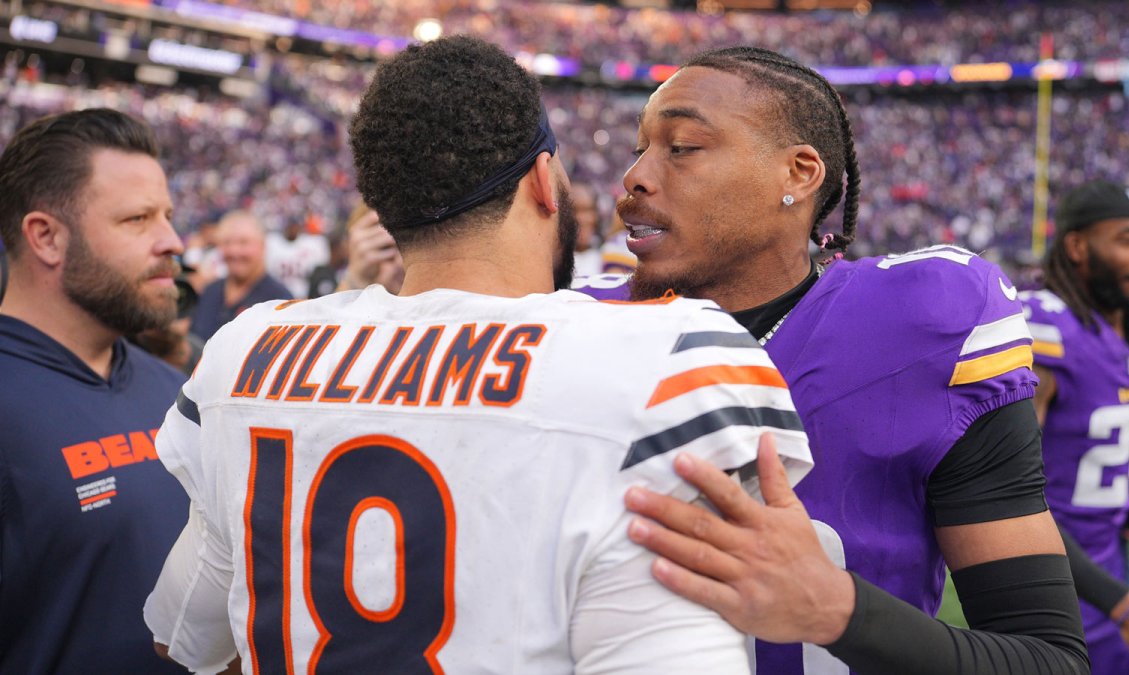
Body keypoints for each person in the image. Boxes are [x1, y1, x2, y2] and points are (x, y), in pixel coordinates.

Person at [143, 35, 812, 674]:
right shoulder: (669, 355)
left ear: (384, 205)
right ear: (544, 182)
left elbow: (184, 636)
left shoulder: (248, 351)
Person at [575, 46, 1090, 673]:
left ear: (798, 174)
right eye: (638, 149)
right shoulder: (576, 326)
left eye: (680, 147)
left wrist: (836, 611)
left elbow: (1049, 659)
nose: (635, 177)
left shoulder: (922, 321)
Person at [0, 108, 190, 673]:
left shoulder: (180, 391)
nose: (173, 242)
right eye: (137, 219)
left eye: (168, 216)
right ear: (47, 237)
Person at [1022, 179, 1129, 674]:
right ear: (1078, 245)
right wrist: (1123, 607)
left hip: (1110, 566)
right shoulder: (1043, 332)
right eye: (1128, 240)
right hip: (1046, 583)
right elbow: (1009, 499)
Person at [189, 210, 291, 340]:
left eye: (243, 243)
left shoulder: (279, 300)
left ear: (263, 246)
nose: (234, 251)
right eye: (227, 243)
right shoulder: (210, 291)